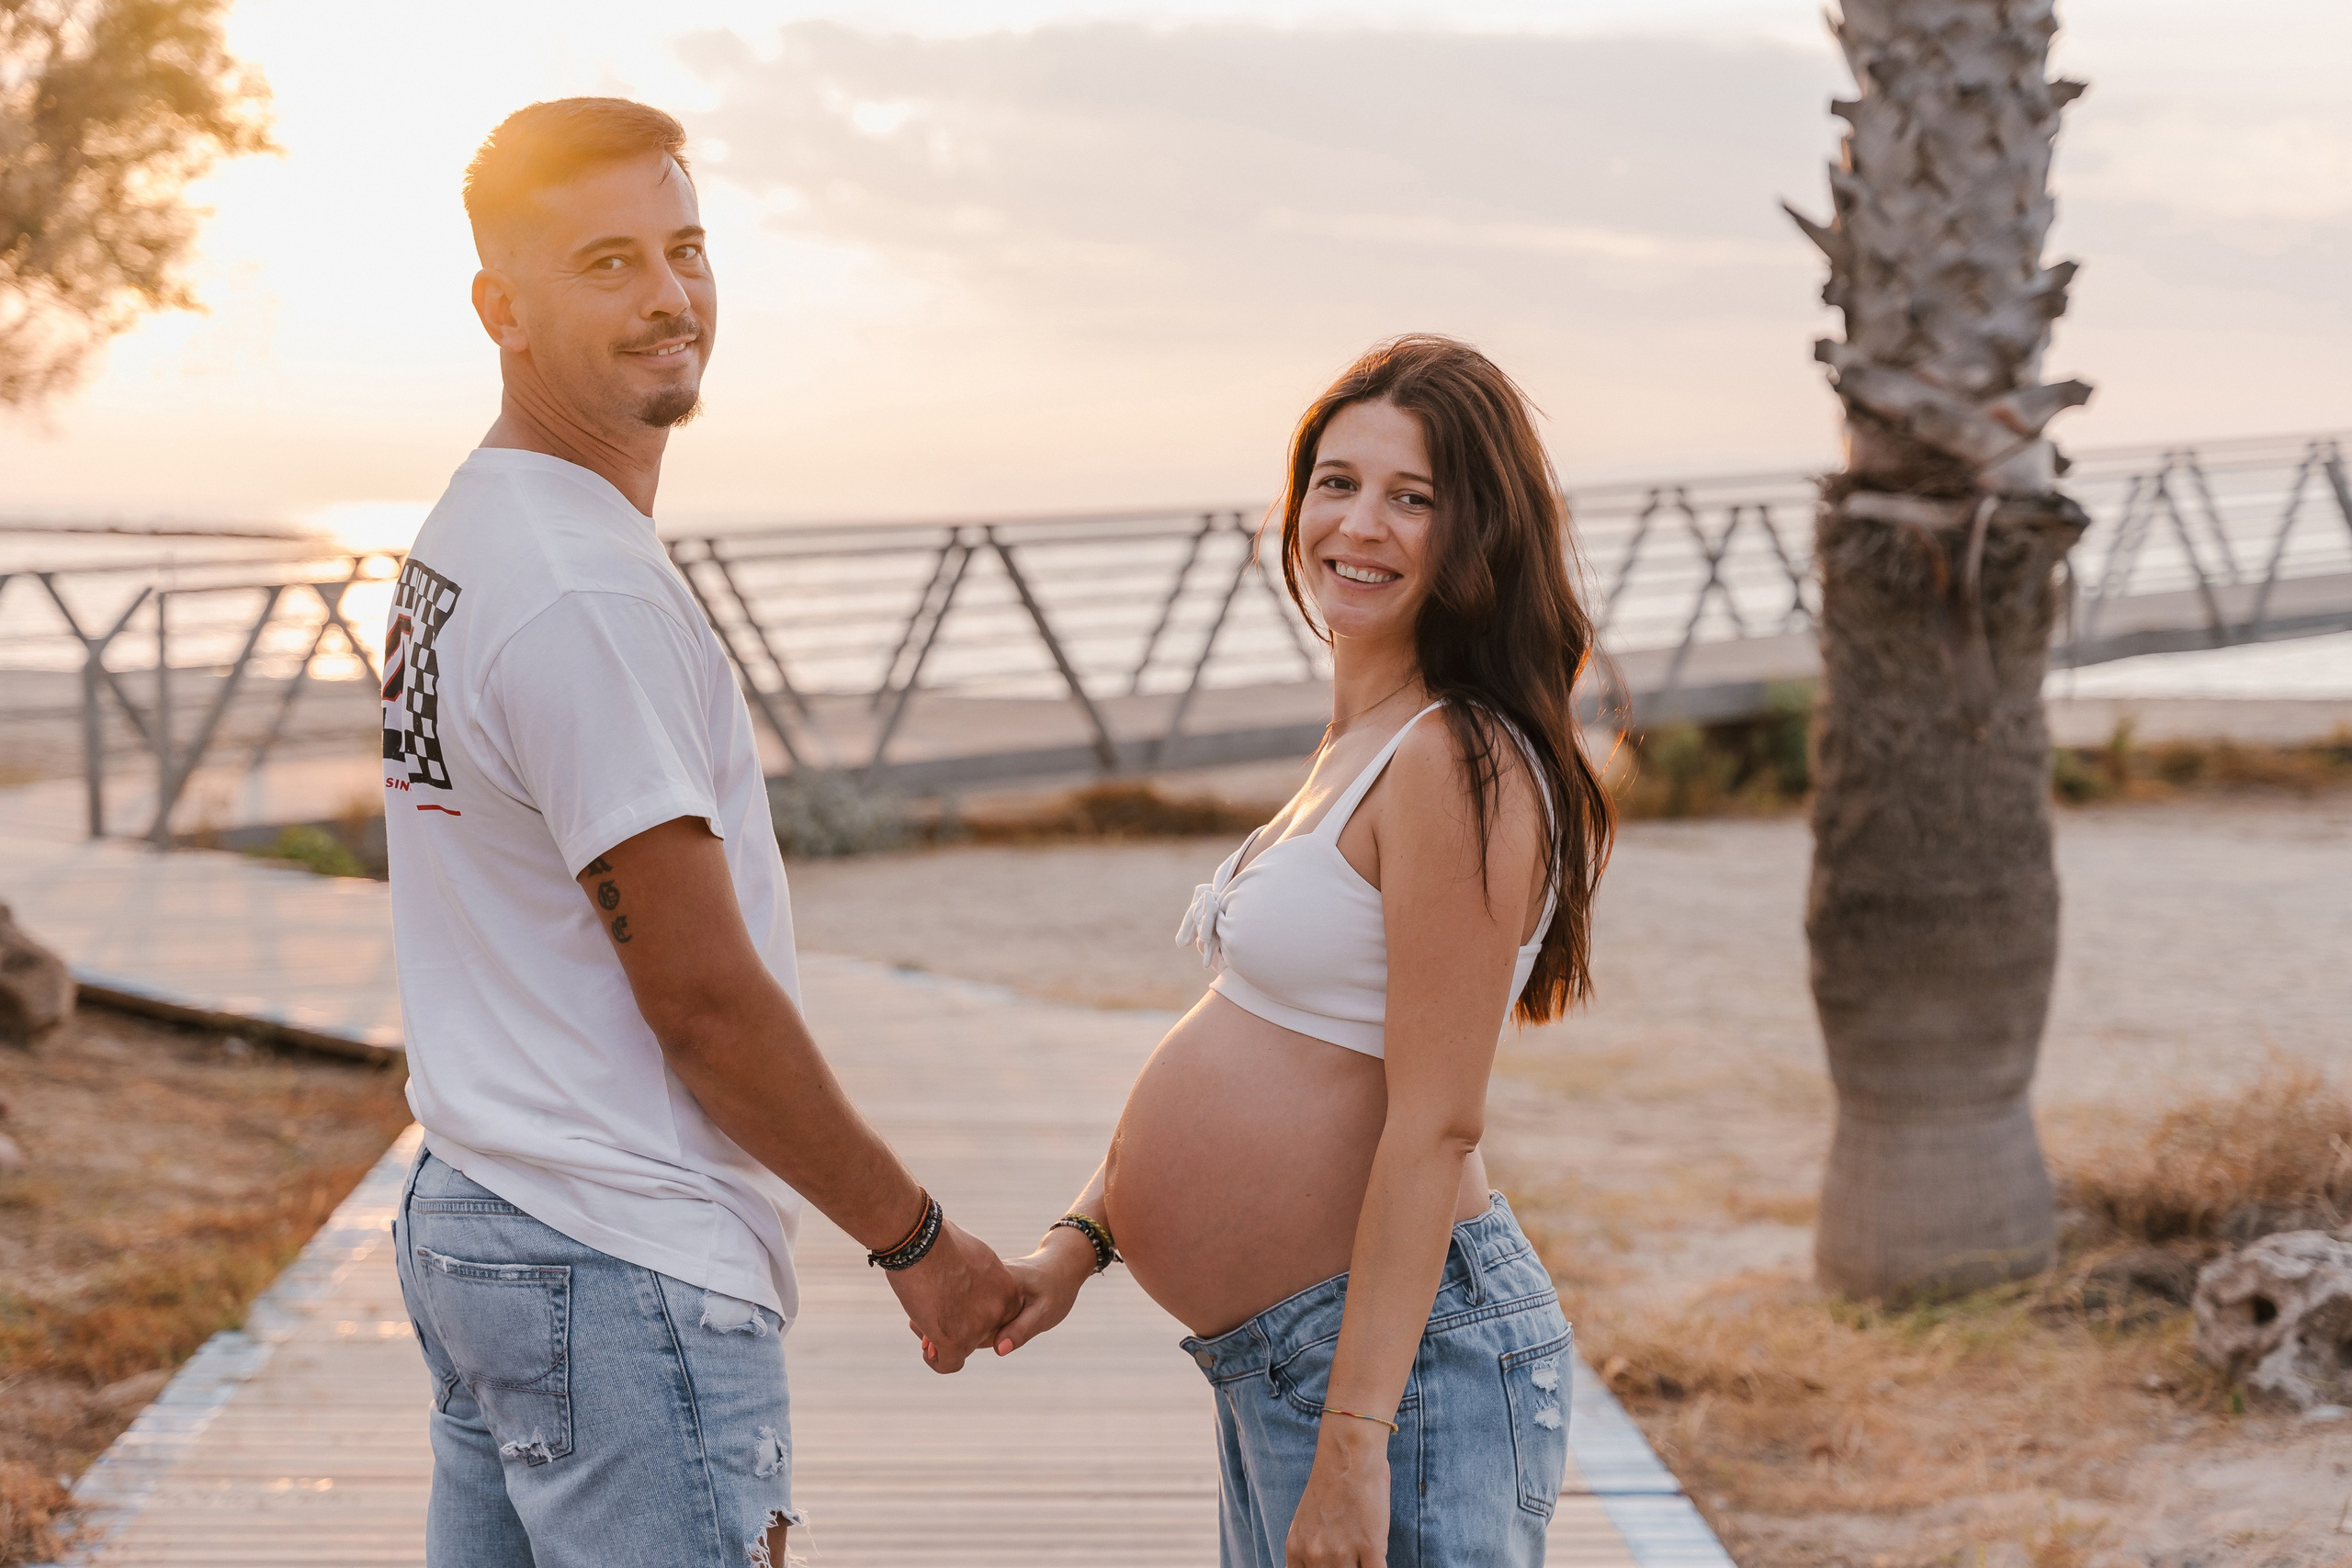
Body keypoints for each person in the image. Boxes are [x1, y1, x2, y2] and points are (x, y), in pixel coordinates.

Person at [382, 98, 1018, 1568]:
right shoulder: (581, 596)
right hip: (611, 1256)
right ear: (504, 308)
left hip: (484, 1205)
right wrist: (920, 1245)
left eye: (685, 249)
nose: (671, 298)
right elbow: (706, 1003)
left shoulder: (471, 534)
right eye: (608, 262)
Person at [993, 336, 1615, 1567]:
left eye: (1412, 496)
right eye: (1336, 482)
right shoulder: (1364, 745)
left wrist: (1353, 1445)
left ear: (1479, 532)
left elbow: (1435, 1124)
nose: (1359, 523)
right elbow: (1269, 1038)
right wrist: (1079, 1245)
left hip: (1395, 1376)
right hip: (1296, 1361)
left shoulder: (1456, 759)